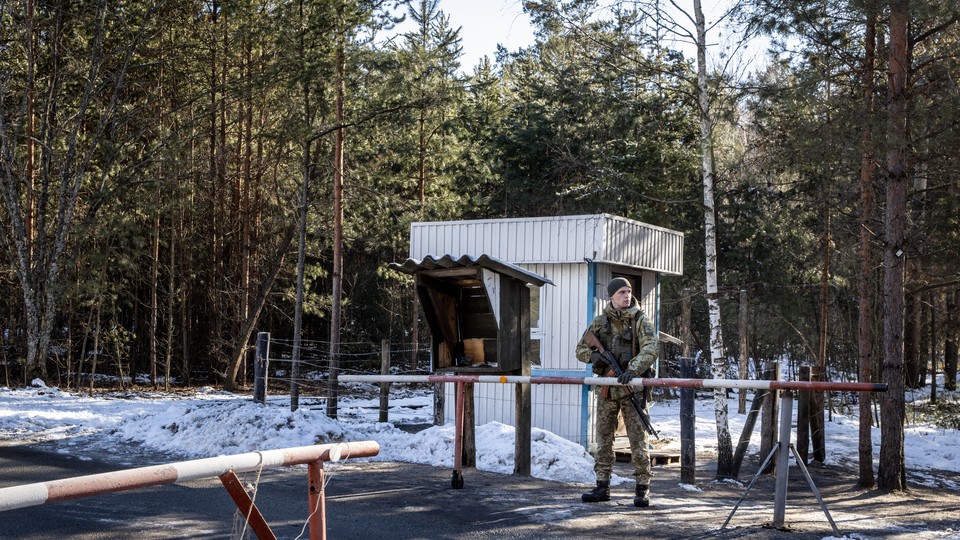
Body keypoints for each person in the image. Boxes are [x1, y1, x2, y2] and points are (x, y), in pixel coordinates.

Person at [575, 276, 658, 507]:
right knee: (603, 439)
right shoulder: (600, 322)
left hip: (632, 387)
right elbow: (580, 349)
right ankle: (602, 486)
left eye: (629, 291)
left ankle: (642, 489)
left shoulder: (641, 320)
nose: (626, 295)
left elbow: (652, 347)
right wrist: (594, 356)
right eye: (621, 292)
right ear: (611, 296)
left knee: (638, 440)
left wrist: (632, 369)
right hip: (609, 388)